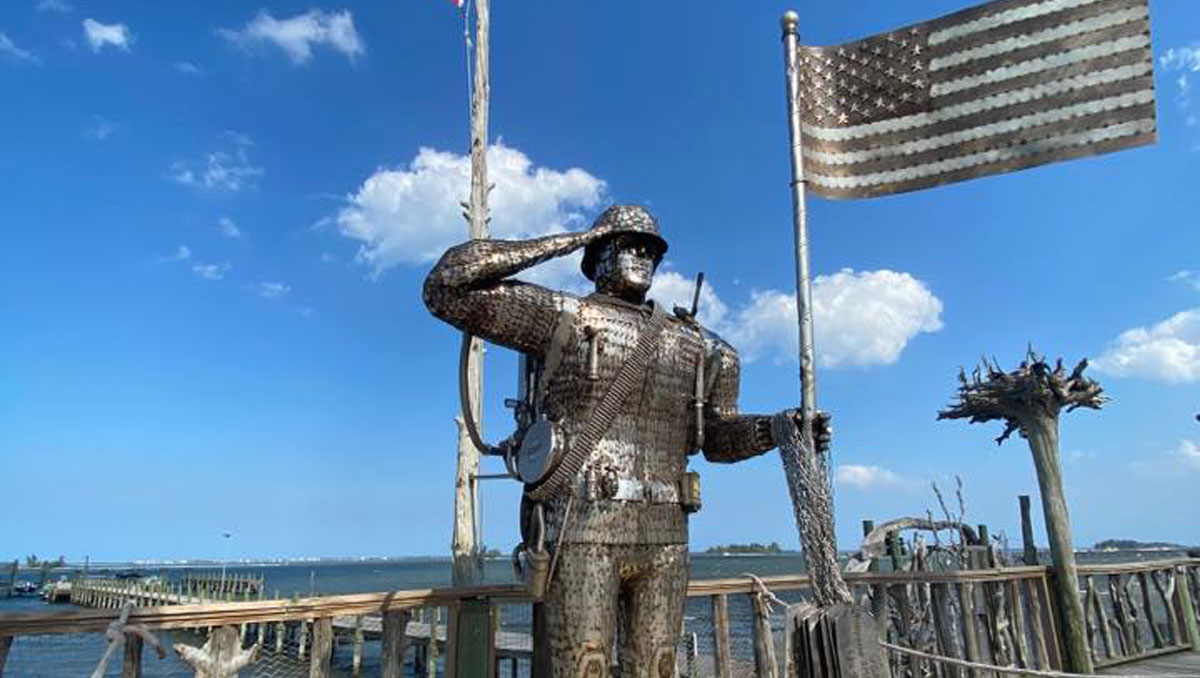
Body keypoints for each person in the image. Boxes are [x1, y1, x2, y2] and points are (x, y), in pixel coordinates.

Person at [424, 205, 826, 678]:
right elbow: (446, 286)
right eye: (627, 242)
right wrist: (576, 239)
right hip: (582, 525)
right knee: (582, 668)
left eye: (649, 247)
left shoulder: (704, 348)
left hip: (667, 535)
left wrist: (779, 429)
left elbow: (716, 438)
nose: (641, 253)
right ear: (597, 256)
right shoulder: (565, 317)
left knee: (657, 669)